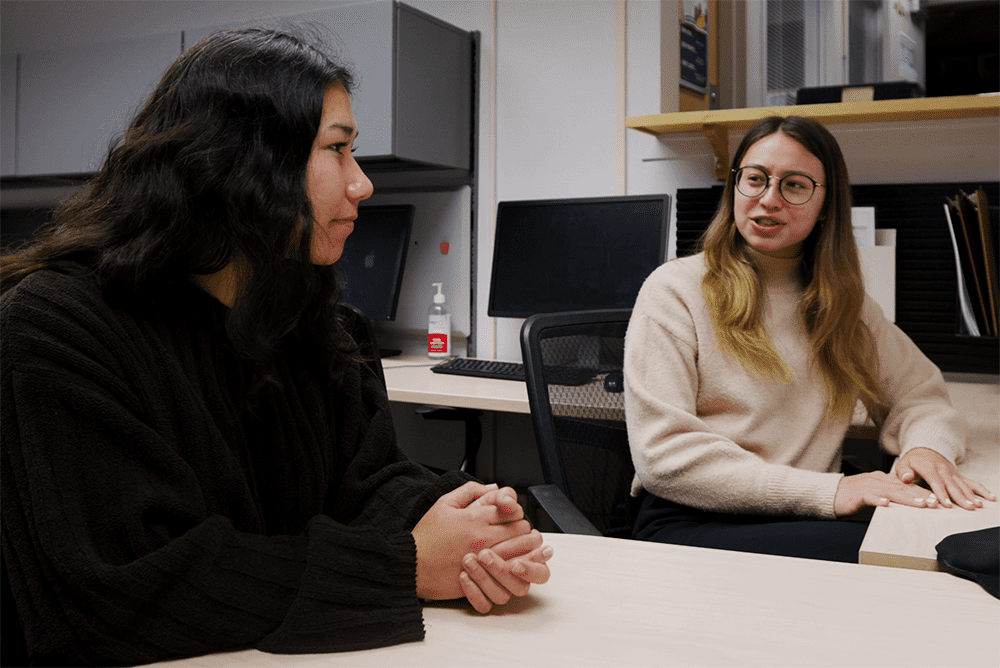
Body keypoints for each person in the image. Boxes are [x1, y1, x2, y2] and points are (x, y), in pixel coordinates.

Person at [0, 27, 552, 666]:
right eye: (337, 149)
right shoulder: (55, 329)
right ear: (241, 163)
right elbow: (120, 591)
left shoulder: (316, 323)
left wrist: (465, 525)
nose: (363, 184)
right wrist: (405, 564)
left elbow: (362, 480)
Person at [624, 115, 995, 563]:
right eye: (755, 179)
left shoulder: (843, 305)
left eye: (794, 185)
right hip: (694, 516)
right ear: (735, 187)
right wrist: (833, 489)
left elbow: (921, 397)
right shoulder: (675, 289)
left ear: (826, 204)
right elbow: (664, 456)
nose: (768, 199)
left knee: (954, 531)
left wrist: (925, 448)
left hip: (803, 510)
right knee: (920, 561)